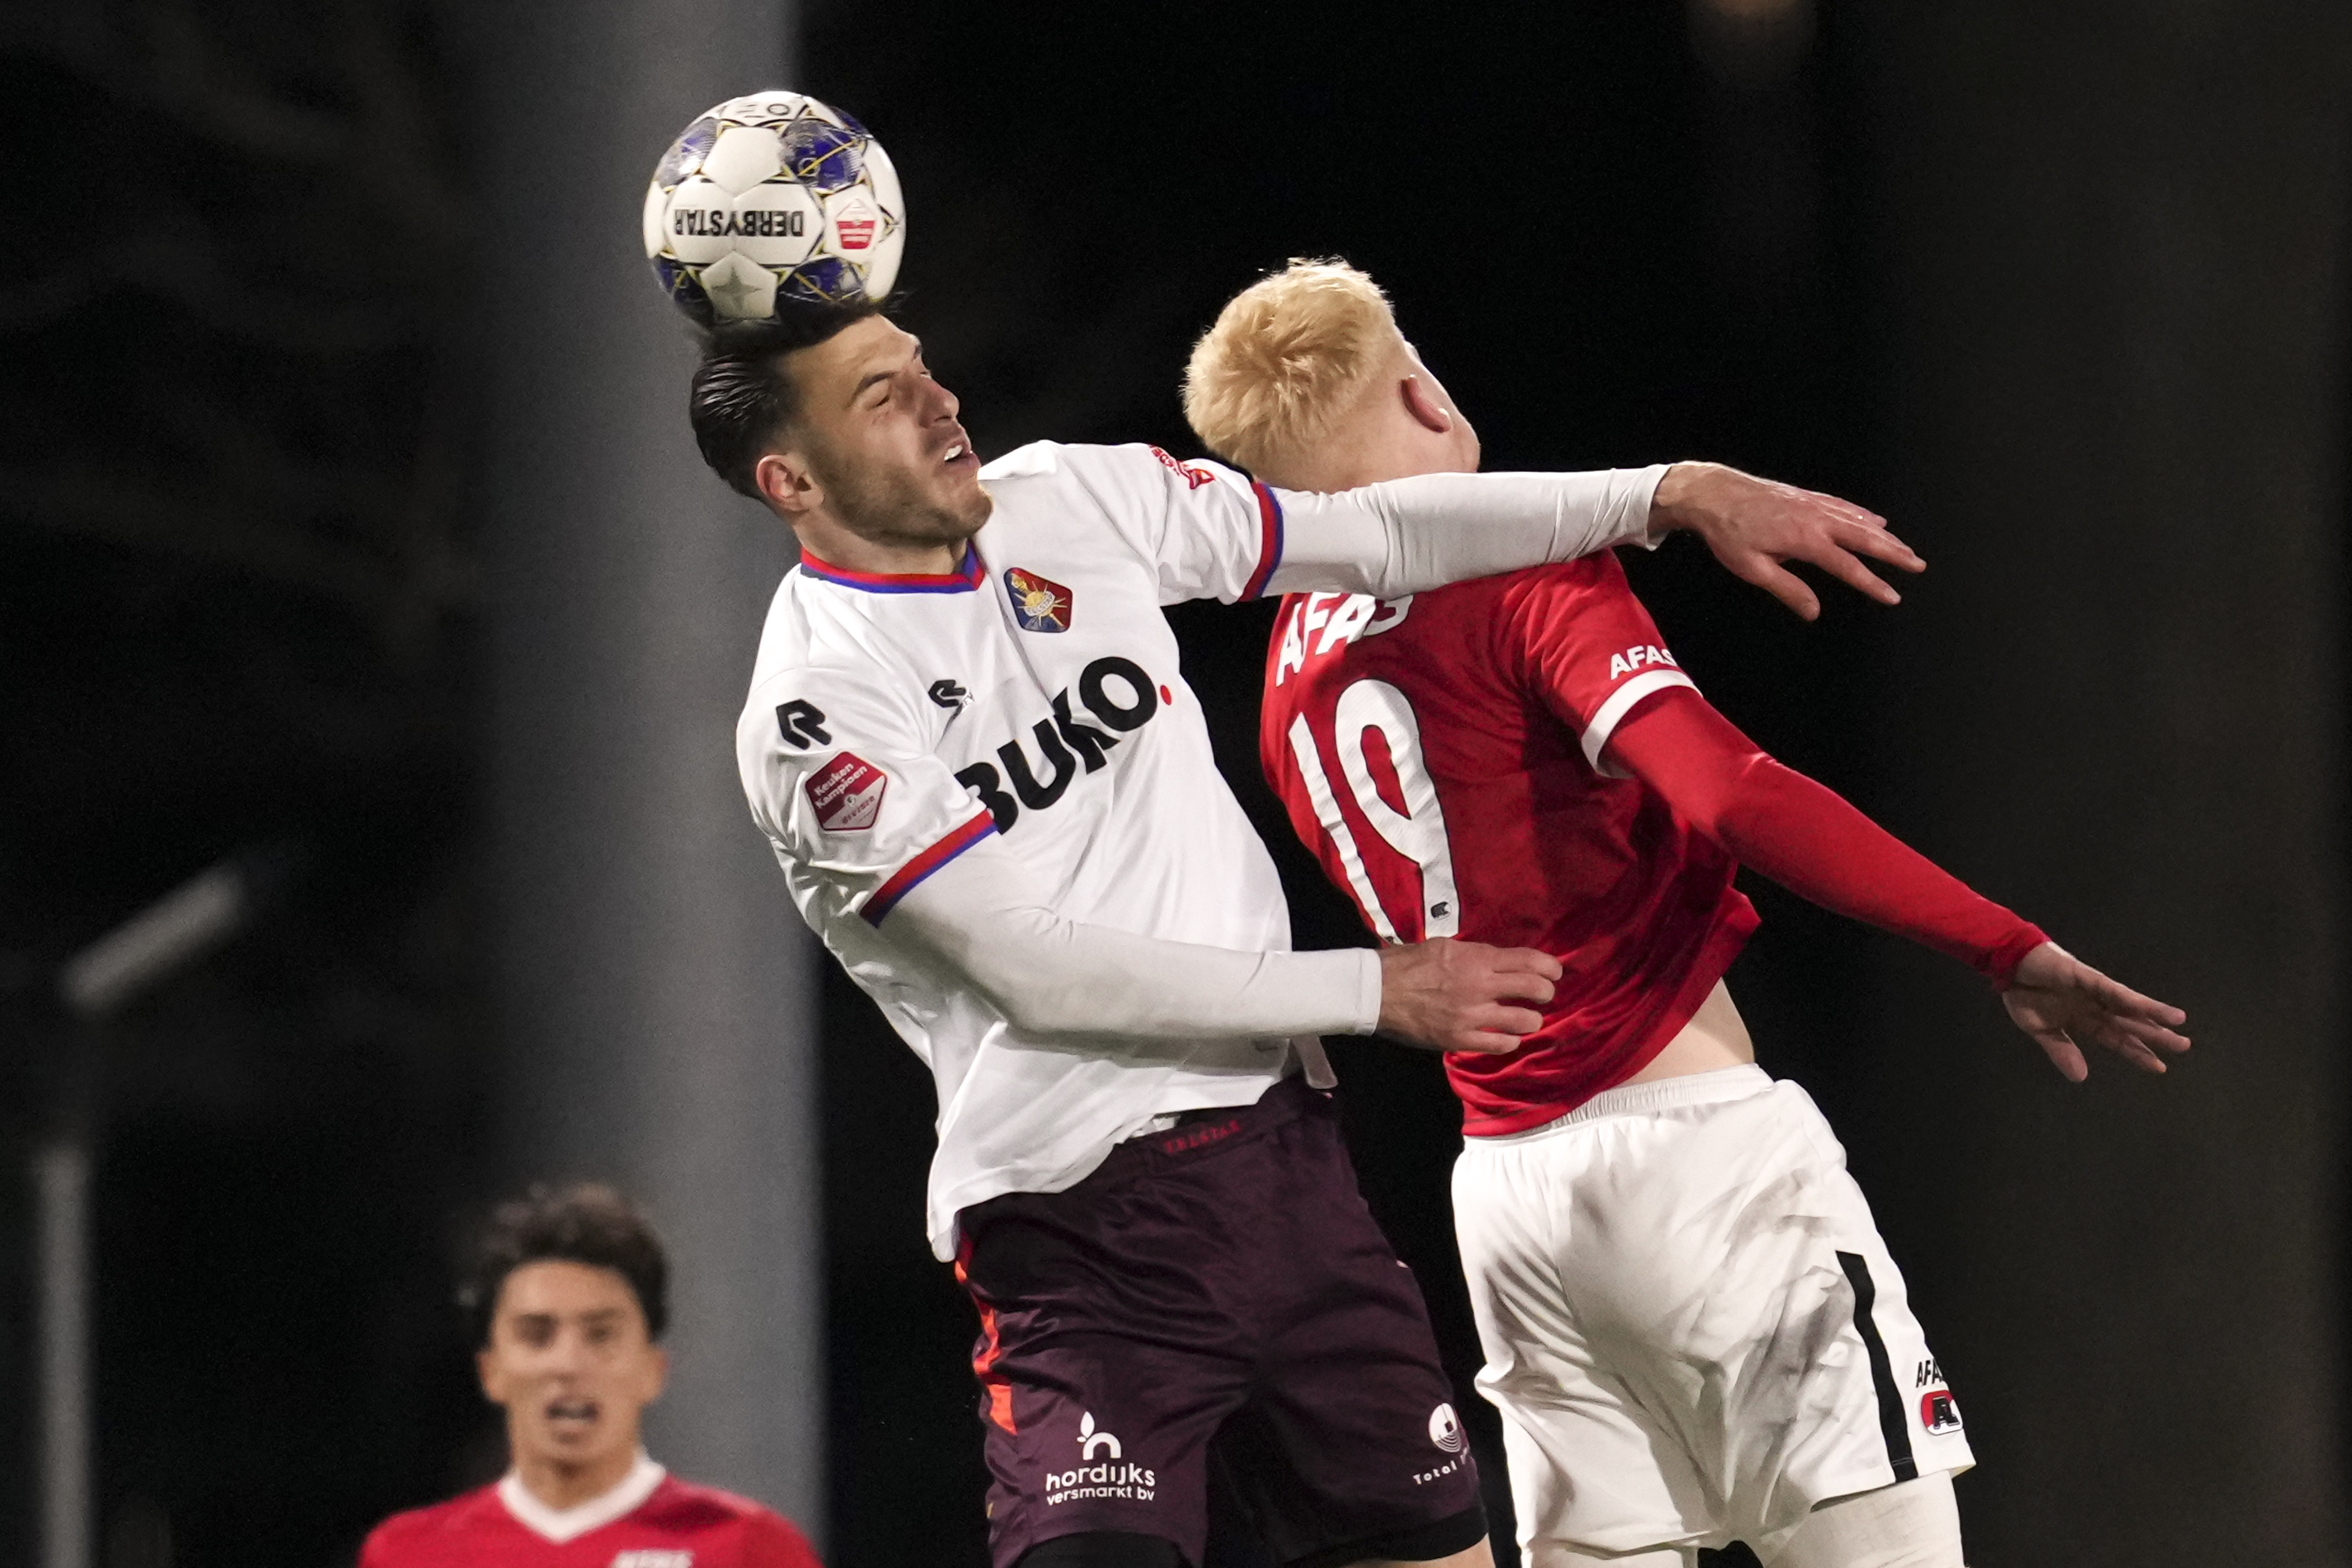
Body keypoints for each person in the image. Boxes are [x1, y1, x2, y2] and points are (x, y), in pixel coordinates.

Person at [702, 294, 1917, 1568]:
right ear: (791, 481)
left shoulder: (1069, 499)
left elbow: (1380, 532)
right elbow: (1035, 970)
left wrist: (1668, 493)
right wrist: (1372, 991)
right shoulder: (815, 710)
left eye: (919, 367)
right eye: (882, 396)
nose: (939, 400)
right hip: (1077, 1219)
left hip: (1286, 1163)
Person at [1186, 259, 2190, 1568]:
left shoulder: (1288, 668)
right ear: (1423, 395)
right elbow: (1727, 792)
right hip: (1693, 1158)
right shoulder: (1522, 567)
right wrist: (2000, 941)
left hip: (1508, 1199)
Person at [359, 1182, 821, 1567]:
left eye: (601, 1336)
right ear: (490, 1371)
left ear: (653, 1369)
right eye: (537, 1335)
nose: (568, 1364)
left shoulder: (750, 1548)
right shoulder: (408, 1554)